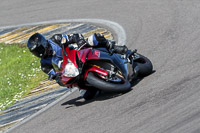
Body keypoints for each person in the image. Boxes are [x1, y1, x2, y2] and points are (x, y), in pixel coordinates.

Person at [27, 32, 128, 99]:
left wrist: (79, 41)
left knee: (93, 39)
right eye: (36, 52)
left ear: (43, 43)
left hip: (79, 54)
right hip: (73, 71)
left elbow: (75, 36)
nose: (39, 53)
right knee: (86, 96)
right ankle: (100, 82)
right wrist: (58, 78)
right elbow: (56, 77)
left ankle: (114, 47)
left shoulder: (56, 39)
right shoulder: (45, 64)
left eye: (39, 49)